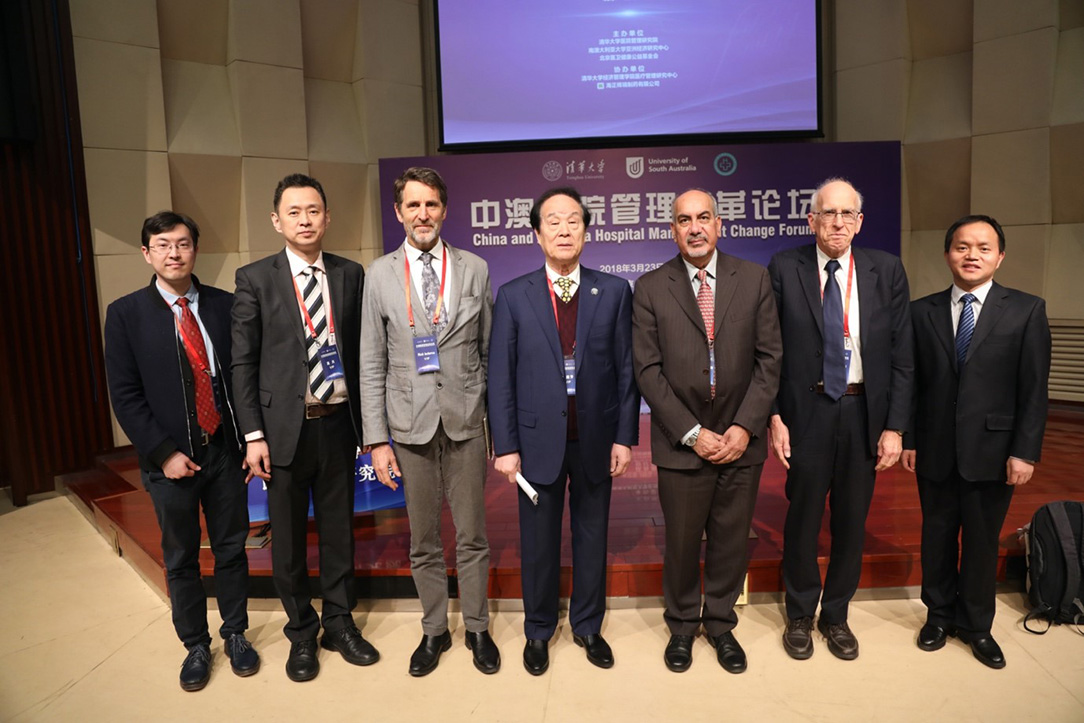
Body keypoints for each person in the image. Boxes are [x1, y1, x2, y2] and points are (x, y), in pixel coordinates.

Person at [488, 187, 640, 675]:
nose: (563, 229)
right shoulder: (513, 296)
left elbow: (626, 370)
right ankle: (537, 630)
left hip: (596, 438)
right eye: (552, 221)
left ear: (586, 231)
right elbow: (501, 378)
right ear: (536, 233)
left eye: (573, 220)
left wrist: (624, 436)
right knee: (538, 542)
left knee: (592, 536)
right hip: (535, 443)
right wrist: (506, 446)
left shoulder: (614, 291)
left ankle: (588, 625)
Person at [104, 211, 258, 691]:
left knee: (233, 549)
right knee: (181, 556)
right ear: (147, 253)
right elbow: (125, 396)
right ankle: (195, 643)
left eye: (184, 244)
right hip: (169, 462)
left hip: (225, 455)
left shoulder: (223, 305)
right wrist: (164, 452)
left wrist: (250, 440)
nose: (175, 253)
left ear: (196, 249)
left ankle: (235, 634)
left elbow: (241, 378)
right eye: (164, 245)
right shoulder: (127, 314)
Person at [231, 173, 376, 682]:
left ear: (328, 216)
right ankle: (301, 634)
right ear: (277, 221)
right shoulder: (255, 279)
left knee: (339, 534)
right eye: (294, 212)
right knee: (288, 543)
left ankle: (340, 623)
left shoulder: (350, 273)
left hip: (337, 425)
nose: (305, 220)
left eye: (313, 210)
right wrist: (252, 434)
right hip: (281, 432)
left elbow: (363, 355)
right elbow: (242, 365)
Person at [631, 189, 782, 674]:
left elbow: (770, 359)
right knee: (680, 539)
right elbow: (647, 371)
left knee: (731, 540)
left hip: (742, 440)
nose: (694, 227)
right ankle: (680, 625)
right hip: (682, 442)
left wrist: (743, 427)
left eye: (702, 218)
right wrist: (693, 432)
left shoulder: (754, 279)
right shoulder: (651, 288)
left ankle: (719, 624)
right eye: (682, 220)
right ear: (671, 230)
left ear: (720, 224)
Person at [359, 167, 500, 676]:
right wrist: (376, 439)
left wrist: (492, 422)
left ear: (445, 210)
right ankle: (435, 630)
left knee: (472, 536)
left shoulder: (475, 269)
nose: (423, 214)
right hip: (408, 427)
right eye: (413, 205)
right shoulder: (377, 275)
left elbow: (489, 352)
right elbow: (371, 361)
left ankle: (479, 629)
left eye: (432, 204)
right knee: (423, 540)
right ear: (398, 212)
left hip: (465, 422)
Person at [768, 178, 913, 661]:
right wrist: (774, 414)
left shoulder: (885, 270)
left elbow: (901, 356)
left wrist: (894, 426)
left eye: (847, 214)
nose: (837, 223)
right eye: (828, 213)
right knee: (803, 519)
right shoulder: (785, 267)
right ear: (811, 220)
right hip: (805, 412)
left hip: (863, 412)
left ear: (860, 222)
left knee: (852, 520)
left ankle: (836, 616)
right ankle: (800, 614)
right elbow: (767, 352)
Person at [902, 214, 1051, 669]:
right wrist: (908, 438)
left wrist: (1025, 450)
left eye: (983, 248)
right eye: (963, 247)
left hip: (995, 450)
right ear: (948, 253)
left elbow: (1034, 389)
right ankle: (938, 616)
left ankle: (977, 626)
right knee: (937, 536)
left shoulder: (1026, 309)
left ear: (1000, 256)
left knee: (983, 542)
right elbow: (911, 382)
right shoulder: (920, 311)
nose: (972, 255)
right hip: (935, 448)